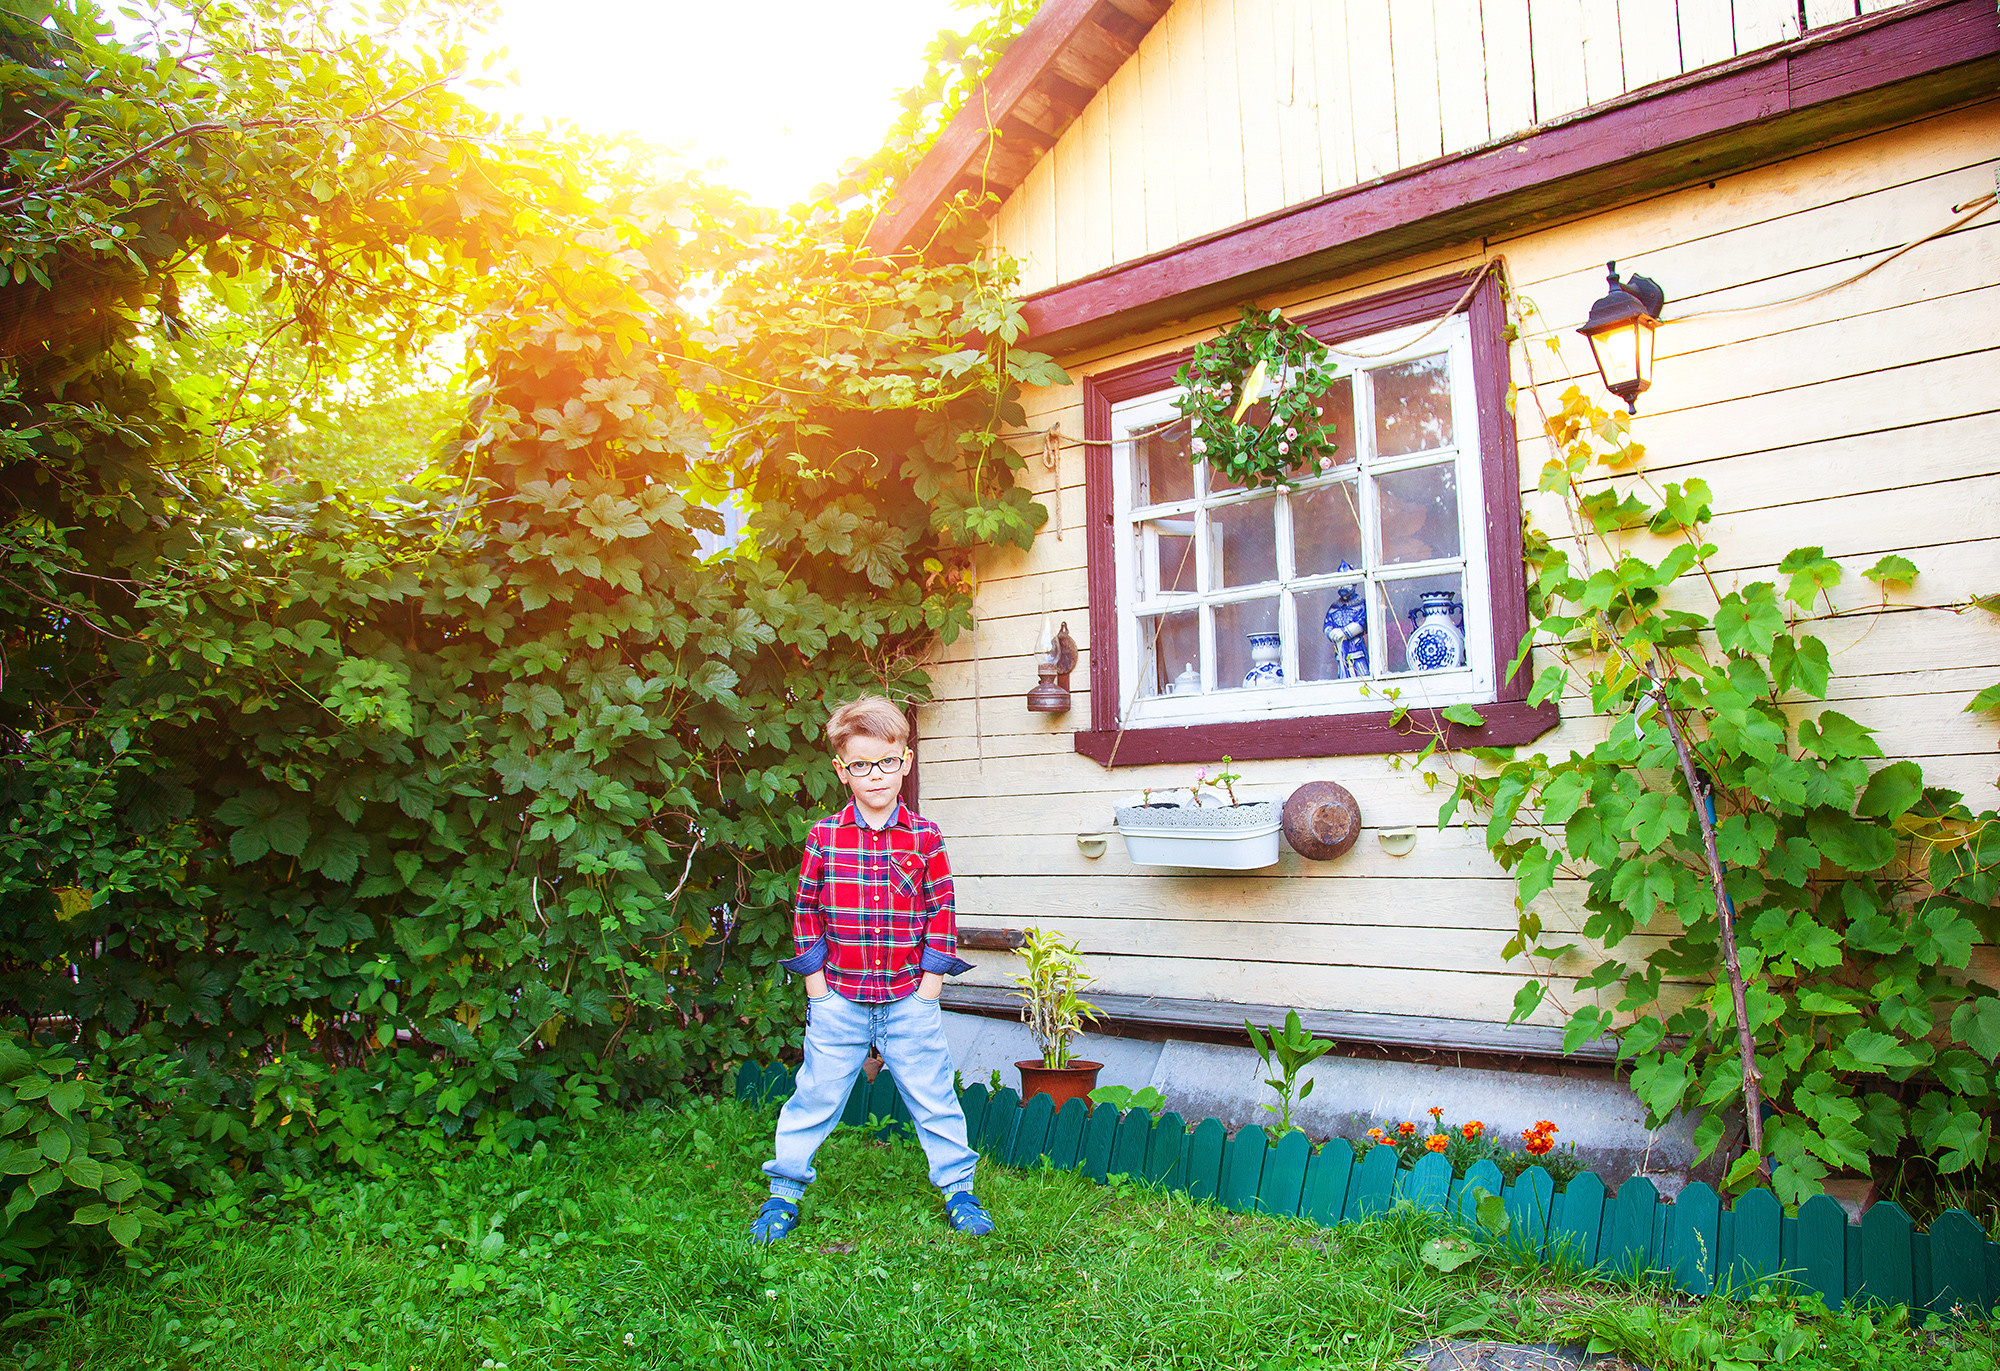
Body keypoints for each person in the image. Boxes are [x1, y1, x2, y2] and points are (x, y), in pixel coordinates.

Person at [751, 695, 991, 1244]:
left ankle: (960, 1192)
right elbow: (806, 913)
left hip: (909, 998)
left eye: (886, 761)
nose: (876, 774)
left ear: (906, 761)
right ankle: (783, 1194)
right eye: (861, 765)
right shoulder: (824, 836)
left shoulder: (925, 836)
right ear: (842, 771)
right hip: (840, 997)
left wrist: (929, 988)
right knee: (815, 1095)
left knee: (934, 1097)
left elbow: (941, 910)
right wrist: (818, 990)